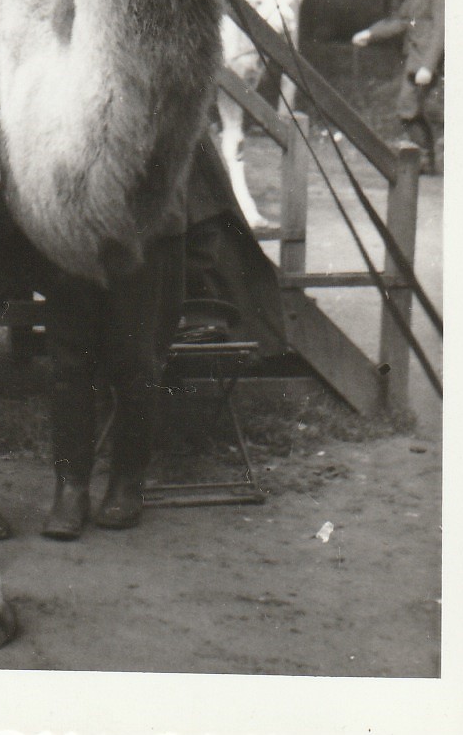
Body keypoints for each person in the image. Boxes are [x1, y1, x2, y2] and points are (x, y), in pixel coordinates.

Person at [39, 134, 288, 541]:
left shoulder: (170, 101)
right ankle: (70, 489)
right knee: (69, 363)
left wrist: (184, 266)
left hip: (149, 238)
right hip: (71, 229)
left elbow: (202, 188)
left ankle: (126, 484)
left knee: (136, 362)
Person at [352, 0, 445, 174]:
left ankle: (439, 161)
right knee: (407, 109)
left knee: (430, 111)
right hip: (415, 59)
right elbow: (401, 21)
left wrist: (428, 66)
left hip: (431, 62)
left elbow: (441, 30)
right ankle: (425, 160)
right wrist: (370, 34)